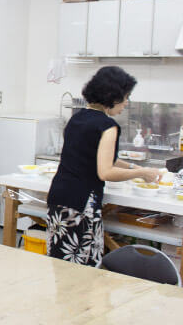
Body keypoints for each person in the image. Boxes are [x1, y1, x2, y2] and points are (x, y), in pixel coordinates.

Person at [46, 66, 160, 266]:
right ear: (112, 96)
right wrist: (141, 172)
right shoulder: (108, 126)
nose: (126, 103)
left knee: (60, 263)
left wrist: (133, 168)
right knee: (84, 269)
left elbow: (99, 156)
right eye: (126, 97)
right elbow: (105, 171)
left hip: (59, 197)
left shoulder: (77, 118)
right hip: (82, 204)